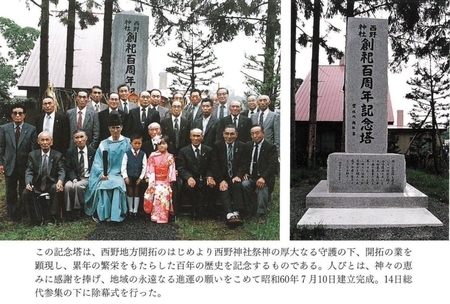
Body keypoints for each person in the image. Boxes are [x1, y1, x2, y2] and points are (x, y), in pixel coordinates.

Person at [84, 111, 131, 223]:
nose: (115, 130)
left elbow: (130, 160)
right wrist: (102, 174)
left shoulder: (127, 142)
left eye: (117, 127)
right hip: (107, 174)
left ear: (122, 127)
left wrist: (125, 175)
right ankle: (104, 214)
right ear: (109, 128)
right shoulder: (104, 143)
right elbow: (98, 162)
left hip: (120, 174)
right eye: (113, 128)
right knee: (104, 185)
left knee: (118, 185)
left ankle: (116, 215)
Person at [0, 104, 38, 221]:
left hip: (24, 165)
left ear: (24, 115)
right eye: (15, 113)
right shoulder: (4, 128)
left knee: (24, 190)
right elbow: (1, 147)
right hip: (9, 164)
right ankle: (12, 214)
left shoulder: (31, 129)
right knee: (10, 191)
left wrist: (31, 166)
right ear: (11, 115)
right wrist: (1, 163)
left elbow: (33, 150)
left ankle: (22, 213)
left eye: (20, 113)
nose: (17, 115)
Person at [22, 131, 65, 225]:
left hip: (50, 183)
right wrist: (28, 183)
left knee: (57, 188)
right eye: (42, 140)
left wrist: (60, 181)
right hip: (37, 184)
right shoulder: (32, 155)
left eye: (47, 140)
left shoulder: (57, 155)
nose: (45, 142)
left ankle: (52, 217)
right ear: (38, 141)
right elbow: (29, 171)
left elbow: (61, 170)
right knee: (26, 192)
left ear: (51, 141)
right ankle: (36, 219)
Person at [211, 125, 248, 228]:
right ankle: (229, 214)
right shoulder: (217, 146)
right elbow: (215, 164)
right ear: (223, 134)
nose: (229, 136)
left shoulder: (242, 146)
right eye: (227, 134)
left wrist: (238, 175)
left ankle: (236, 213)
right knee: (224, 187)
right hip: (222, 176)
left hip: (235, 176)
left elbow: (244, 163)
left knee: (237, 185)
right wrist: (221, 180)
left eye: (232, 134)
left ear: (236, 135)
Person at [177, 128, 216, 220]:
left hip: (205, 177)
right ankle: (194, 212)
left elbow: (212, 165)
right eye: (194, 136)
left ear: (202, 137)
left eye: (198, 136)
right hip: (191, 178)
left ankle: (210, 212)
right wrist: (189, 177)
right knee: (191, 187)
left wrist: (210, 176)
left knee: (212, 185)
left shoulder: (208, 150)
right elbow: (181, 167)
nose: (196, 138)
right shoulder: (183, 151)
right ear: (190, 137)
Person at [242, 125, 278, 224]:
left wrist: (263, 178)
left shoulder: (270, 147)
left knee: (261, 188)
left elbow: (272, 165)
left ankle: (262, 213)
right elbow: (244, 162)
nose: (255, 135)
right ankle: (249, 210)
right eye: (252, 133)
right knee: (244, 185)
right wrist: (245, 172)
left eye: (257, 133)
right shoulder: (248, 146)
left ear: (263, 133)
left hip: (264, 178)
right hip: (251, 176)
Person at [143, 135, 176, 223]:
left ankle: (162, 216)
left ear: (168, 145)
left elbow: (171, 170)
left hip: (165, 181)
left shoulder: (170, 157)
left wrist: (170, 180)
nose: (161, 146)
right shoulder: (153, 156)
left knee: (163, 191)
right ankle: (153, 214)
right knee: (151, 193)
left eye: (164, 144)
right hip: (154, 180)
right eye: (159, 144)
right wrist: (149, 179)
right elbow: (149, 168)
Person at [64, 129, 96, 221]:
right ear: (74, 140)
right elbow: (68, 168)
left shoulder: (92, 151)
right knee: (67, 186)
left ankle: (78, 210)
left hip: (88, 177)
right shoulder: (70, 152)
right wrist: (74, 178)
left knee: (78, 186)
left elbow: (96, 167)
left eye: (81, 137)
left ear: (86, 138)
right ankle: (69, 211)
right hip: (75, 177)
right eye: (76, 138)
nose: (79, 140)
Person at [121, 134, 147, 219]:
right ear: (131, 143)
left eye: (139, 143)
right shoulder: (127, 154)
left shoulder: (143, 154)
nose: (137, 145)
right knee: (130, 192)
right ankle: (130, 210)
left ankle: (135, 211)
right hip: (130, 176)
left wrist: (141, 177)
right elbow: (123, 166)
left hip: (138, 177)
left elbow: (144, 167)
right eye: (135, 143)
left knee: (136, 192)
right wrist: (125, 177)